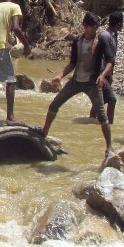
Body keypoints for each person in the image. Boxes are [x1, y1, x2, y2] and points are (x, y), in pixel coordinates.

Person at [41, 12, 114, 156]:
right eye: (91, 27)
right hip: (76, 80)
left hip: (92, 83)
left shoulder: (101, 42)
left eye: (95, 27)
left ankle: (109, 147)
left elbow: (111, 61)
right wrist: (60, 75)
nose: (94, 30)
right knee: (54, 105)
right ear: (84, 26)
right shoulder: (77, 42)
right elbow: (73, 63)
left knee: (101, 116)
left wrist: (102, 75)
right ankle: (44, 133)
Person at [97, 11, 123, 124]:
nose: (123, 26)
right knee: (112, 100)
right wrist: (103, 75)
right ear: (118, 24)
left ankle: (92, 121)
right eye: (122, 23)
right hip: (101, 72)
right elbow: (102, 57)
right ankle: (109, 124)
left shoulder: (113, 35)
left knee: (100, 100)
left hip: (107, 72)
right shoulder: (104, 35)